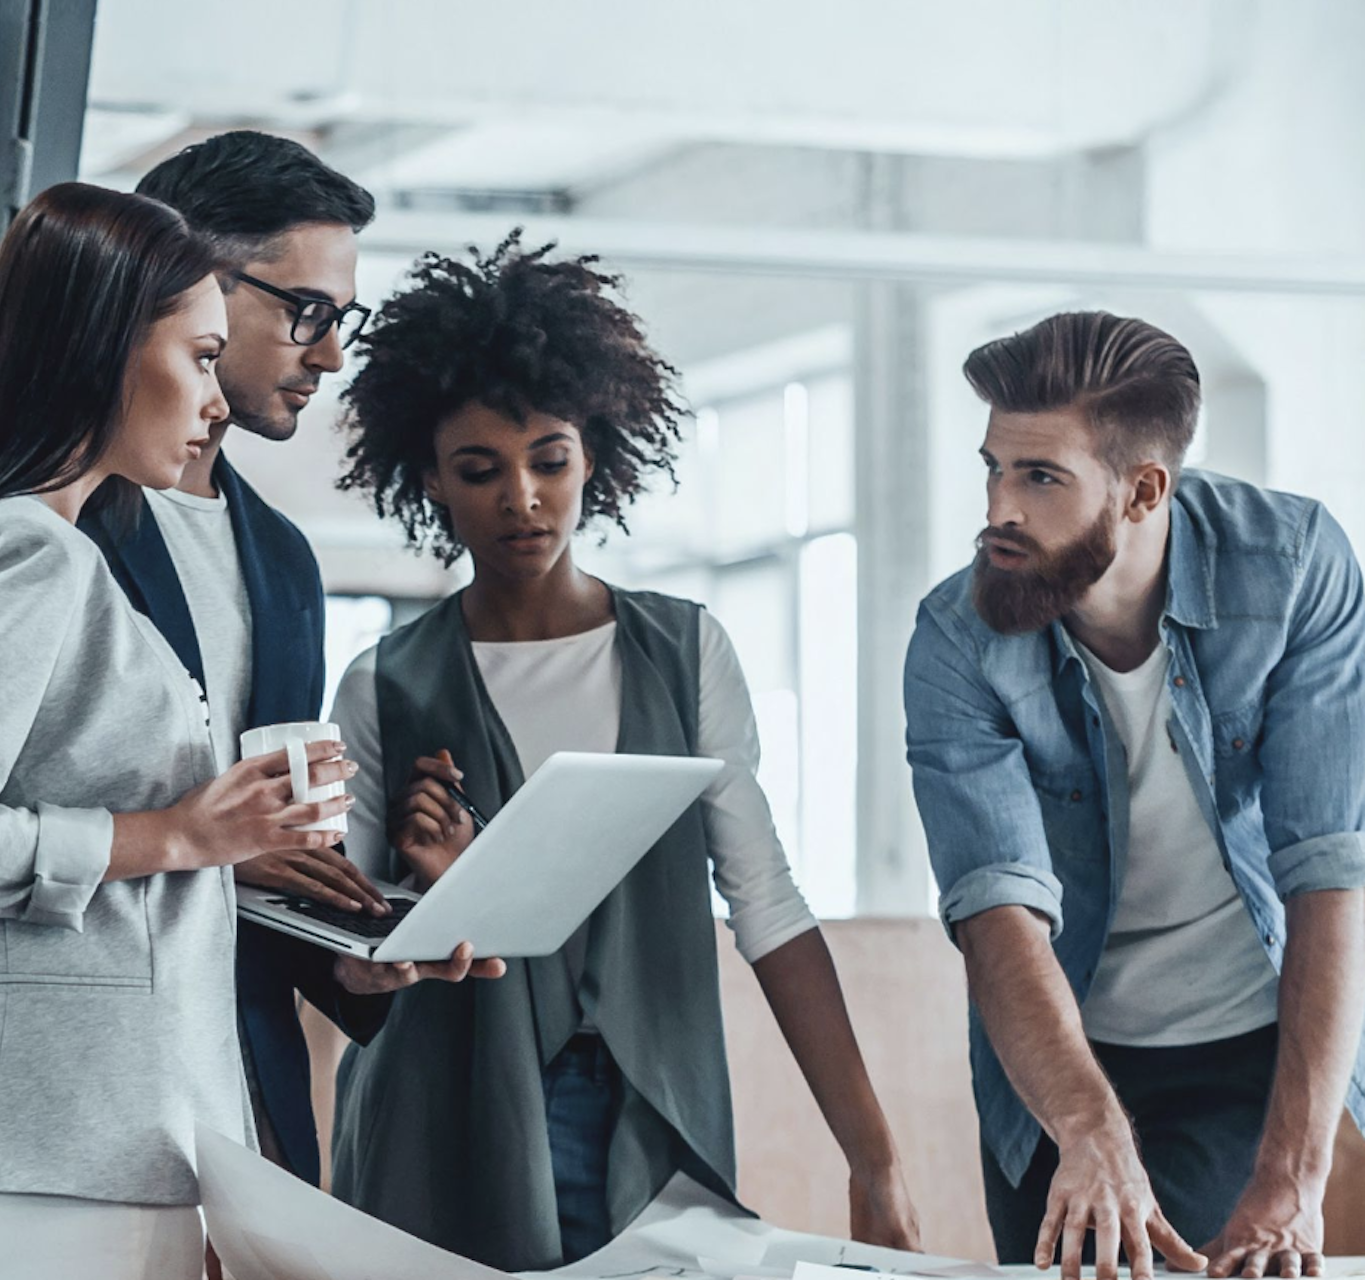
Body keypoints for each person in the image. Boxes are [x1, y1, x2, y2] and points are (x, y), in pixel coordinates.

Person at [0, 131, 487, 1195]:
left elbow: (256, 843)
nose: (329, 353)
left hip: (238, 1080)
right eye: (307, 310)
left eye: (344, 319)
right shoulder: (11, 510)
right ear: (187, 280)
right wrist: (181, 842)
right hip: (57, 1101)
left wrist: (355, 940)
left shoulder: (280, 558)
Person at [325, 235, 922, 1272]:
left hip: (651, 1109)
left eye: (549, 459)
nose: (523, 497)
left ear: (593, 454)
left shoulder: (683, 651)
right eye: (481, 470)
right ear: (429, 479)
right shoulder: (387, 682)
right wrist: (431, 901)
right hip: (447, 1122)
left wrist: (873, 1157)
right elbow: (351, 958)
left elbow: (767, 902)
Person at [903, 311, 1365, 1280]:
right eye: (993, 467)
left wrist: (1293, 1172)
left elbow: (1330, 869)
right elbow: (997, 914)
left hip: (1256, 1037)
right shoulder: (957, 636)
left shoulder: (1291, 573)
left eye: (1040, 477)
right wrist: (1086, 1124)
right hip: (1060, 1051)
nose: (998, 508)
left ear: (1145, 490)